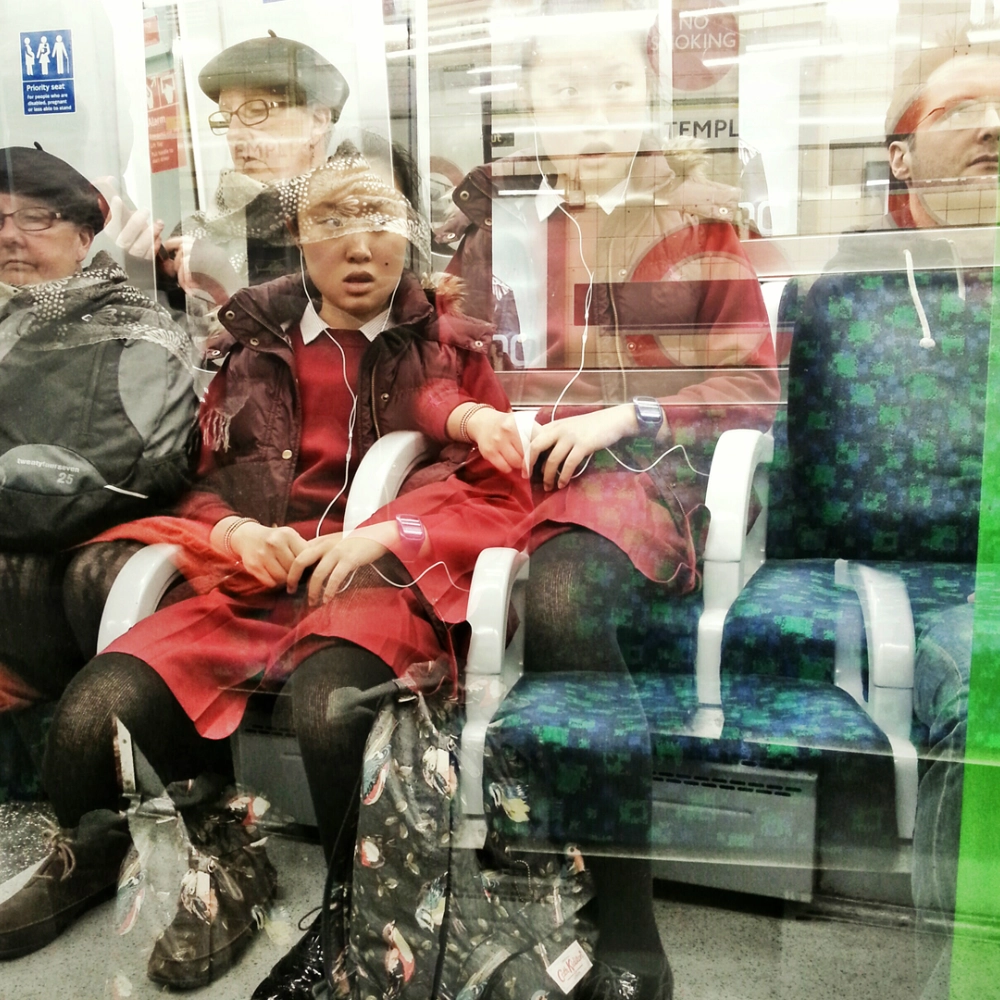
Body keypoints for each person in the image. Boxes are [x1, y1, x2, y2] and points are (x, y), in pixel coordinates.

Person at [0, 149, 530, 990]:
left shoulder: (445, 350)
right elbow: (198, 478)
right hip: (254, 582)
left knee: (331, 708)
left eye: (379, 221)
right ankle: (121, 849)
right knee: (94, 710)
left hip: (376, 585)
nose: (360, 246)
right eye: (332, 222)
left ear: (409, 233)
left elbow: (499, 491)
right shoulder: (253, 349)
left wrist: (383, 536)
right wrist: (236, 532)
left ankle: (356, 907)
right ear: (297, 236)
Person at [445, 5, 779, 998]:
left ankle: (628, 922)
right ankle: (468, 876)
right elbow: (450, 365)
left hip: (640, 468)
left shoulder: (697, 223)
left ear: (649, 99)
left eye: (615, 88)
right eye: (563, 91)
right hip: (508, 470)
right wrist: (474, 416)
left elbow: (753, 381)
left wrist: (628, 412)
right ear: (528, 107)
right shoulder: (501, 231)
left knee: (559, 598)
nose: (591, 113)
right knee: (399, 588)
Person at [781, 45, 1000, 999]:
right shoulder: (858, 290)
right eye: (962, 110)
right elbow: (860, 492)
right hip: (945, 579)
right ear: (901, 157)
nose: (994, 127)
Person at [0, 145, 197, 798]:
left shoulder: (133, 325)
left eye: (36, 218)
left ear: (86, 236)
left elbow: (145, 466)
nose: (11, 236)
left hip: (102, 547)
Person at [115, 32, 350, 313]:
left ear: (317, 121)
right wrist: (155, 279)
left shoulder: (358, 222)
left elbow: (348, 328)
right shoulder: (198, 232)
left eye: (256, 111)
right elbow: (179, 335)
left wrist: (227, 289)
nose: (235, 134)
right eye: (227, 118)